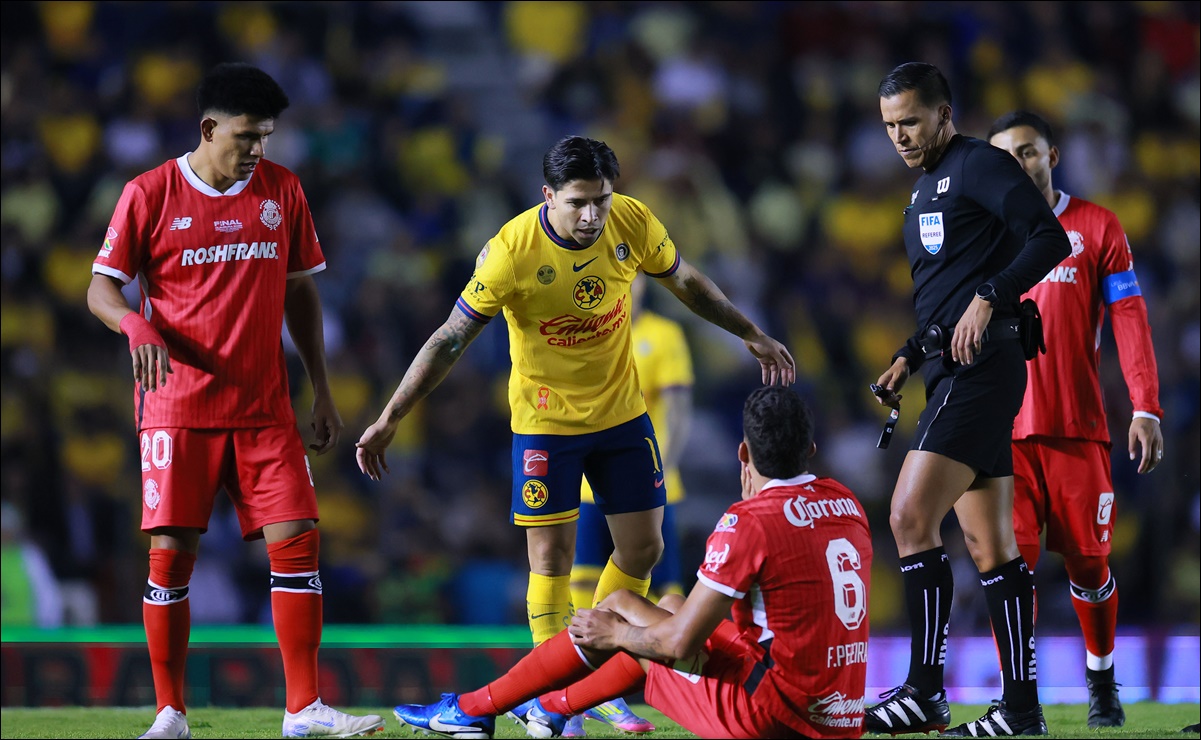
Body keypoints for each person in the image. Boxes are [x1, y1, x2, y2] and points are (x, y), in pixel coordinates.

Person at [356, 136, 795, 653]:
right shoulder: (511, 252)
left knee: (644, 548)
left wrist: (749, 332)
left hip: (621, 413)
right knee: (550, 560)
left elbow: (687, 282)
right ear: (548, 196)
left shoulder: (632, 220)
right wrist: (391, 416)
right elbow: (450, 338)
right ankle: (554, 686)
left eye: (601, 200)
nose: (591, 216)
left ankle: (589, 659)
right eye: (577, 203)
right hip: (547, 422)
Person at [87, 62, 384, 740]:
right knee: (170, 558)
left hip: (264, 407)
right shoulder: (149, 193)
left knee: (298, 542)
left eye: (266, 136)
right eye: (247, 136)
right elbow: (101, 288)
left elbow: (300, 291)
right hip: (177, 407)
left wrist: (321, 387)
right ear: (208, 128)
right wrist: (135, 325)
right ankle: (170, 713)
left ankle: (303, 709)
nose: (257, 149)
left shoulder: (282, 189)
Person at [392, 386, 873, 740]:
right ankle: (552, 708)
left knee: (633, 625)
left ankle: (476, 708)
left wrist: (616, 636)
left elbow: (678, 643)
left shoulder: (749, 521)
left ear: (743, 452)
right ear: (810, 450)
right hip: (840, 715)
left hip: (775, 719)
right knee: (666, 603)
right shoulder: (846, 502)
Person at [864, 63, 1071, 737]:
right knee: (990, 547)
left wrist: (991, 295)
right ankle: (1021, 709)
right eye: (889, 125)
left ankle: (925, 692)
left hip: (982, 369)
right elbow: (949, 291)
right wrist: (909, 354)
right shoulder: (924, 187)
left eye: (910, 121)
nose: (899, 136)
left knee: (908, 516)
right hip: (952, 367)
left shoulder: (978, 165)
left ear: (944, 114)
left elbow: (1049, 237)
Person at [987, 110, 1165, 729]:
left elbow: (1130, 317)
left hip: (1076, 427)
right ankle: (1018, 698)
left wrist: (1145, 405)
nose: (1018, 164)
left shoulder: (1096, 226)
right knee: (1009, 569)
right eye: (1005, 156)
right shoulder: (982, 233)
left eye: (1027, 151)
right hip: (1002, 433)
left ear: (1052, 156)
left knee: (1090, 566)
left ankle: (1102, 683)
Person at [566, 273, 694, 736]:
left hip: (652, 490)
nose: (630, 288)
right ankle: (584, 690)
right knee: (581, 588)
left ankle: (666, 688)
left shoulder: (664, 335)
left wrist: (661, 475)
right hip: (588, 490)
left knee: (663, 591)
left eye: (636, 281)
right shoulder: (583, 333)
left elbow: (678, 412)